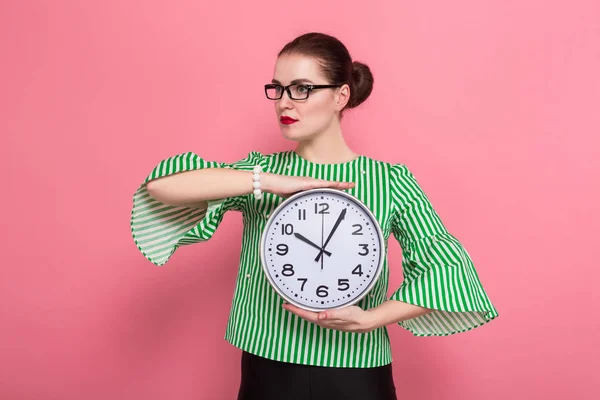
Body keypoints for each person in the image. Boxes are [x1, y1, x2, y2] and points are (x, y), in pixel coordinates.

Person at [130, 32, 499, 400]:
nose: (284, 103)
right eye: (278, 88)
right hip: (267, 366)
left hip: (358, 373)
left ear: (341, 96)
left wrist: (372, 318)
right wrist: (269, 182)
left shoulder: (391, 181)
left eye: (302, 88)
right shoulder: (260, 172)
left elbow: (449, 271)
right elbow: (162, 187)